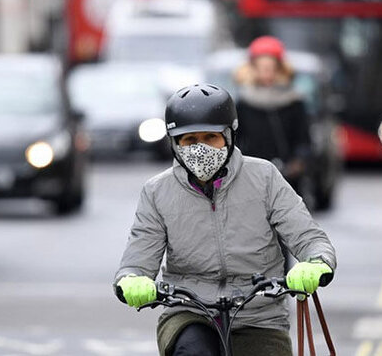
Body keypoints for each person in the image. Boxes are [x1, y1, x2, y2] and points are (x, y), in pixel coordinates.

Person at [113, 84, 336, 356]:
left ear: (229, 137)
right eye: (190, 140)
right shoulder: (157, 192)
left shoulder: (265, 177)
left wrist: (316, 263)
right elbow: (137, 259)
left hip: (259, 316)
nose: (201, 148)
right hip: (190, 312)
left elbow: (310, 237)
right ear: (174, 143)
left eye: (211, 137)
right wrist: (133, 279)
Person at [234, 36, 312, 197]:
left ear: (280, 68)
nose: (267, 73)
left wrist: (297, 163)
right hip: (252, 178)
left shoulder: (294, 101)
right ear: (252, 69)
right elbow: (235, 140)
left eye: (271, 67)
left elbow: (304, 139)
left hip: (287, 178)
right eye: (262, 67)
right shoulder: (244, 102)